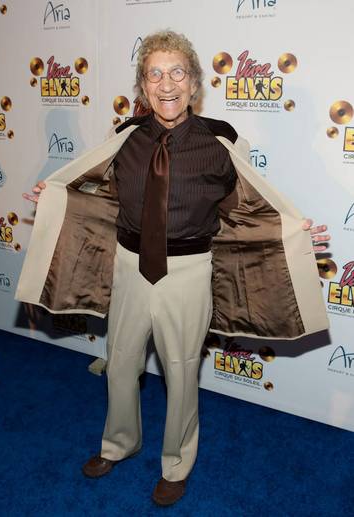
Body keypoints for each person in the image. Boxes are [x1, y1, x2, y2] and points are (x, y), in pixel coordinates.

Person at [19, 30, 330, 506]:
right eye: (155, 74)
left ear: (194, 84)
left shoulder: (222, 143)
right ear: (143, 87)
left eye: (177, 73)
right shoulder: (122, 139)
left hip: (187, 273)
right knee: (120, 364)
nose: (167, 84)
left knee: (182, 373)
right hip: (128, 266)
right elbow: (95, 193)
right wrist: (56, 196)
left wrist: (295, 232)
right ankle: (118, 445)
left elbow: (249, 207)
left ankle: (176, 464)